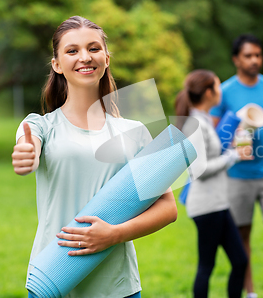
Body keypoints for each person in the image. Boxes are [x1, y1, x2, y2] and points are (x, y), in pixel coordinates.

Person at [11, 16, 178, 298]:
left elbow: (168, 208)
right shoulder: (40, 126)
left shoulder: (134, 131)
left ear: (106, 58)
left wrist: (114, 235)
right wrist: (26, 154)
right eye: (72, 51)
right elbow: (29, 146)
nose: (84, 57)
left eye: (93, 48)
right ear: (57, 64)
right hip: (52, 281)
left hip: (117, 286)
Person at [210, 34, 263, 298]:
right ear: (236, 59)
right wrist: (234, 142)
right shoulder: (223, 91)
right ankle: (251, 293)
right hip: (236, 175)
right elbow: (214, 134)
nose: (254, 60)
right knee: (242, 233)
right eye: (248, 55)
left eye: (258, 55)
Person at [175, 69, 251, 298]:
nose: (221, 91)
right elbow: (199, 169)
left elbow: (211, 155)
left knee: (240, 261)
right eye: (218, 86)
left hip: (218, 204)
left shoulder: (204, 120)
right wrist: (234, 156)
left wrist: (234, 146)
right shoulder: (195, 124)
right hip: (207, 207)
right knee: (207, 266)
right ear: (209, 92)